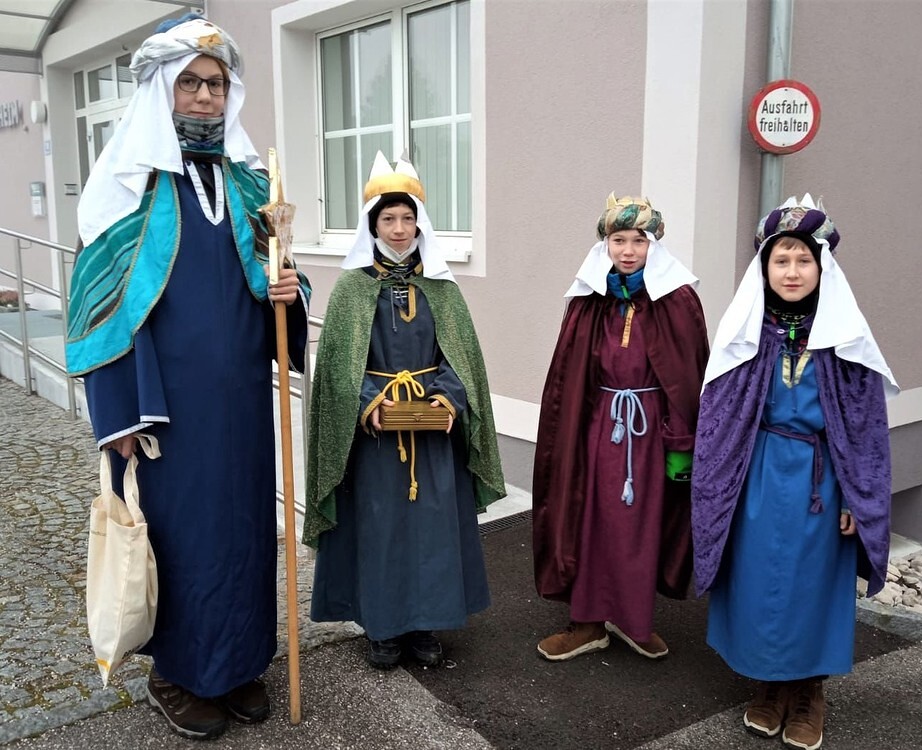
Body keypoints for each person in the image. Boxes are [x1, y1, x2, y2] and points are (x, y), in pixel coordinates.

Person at [66, 15, 310, 741]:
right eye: (191, 84)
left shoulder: (250, 185)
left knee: (243, 530)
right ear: (161, 91)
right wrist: (122, 412)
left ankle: (238, 663)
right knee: (181, 538)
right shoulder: (128, 188)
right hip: (166, 411)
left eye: (217, 85)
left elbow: (278, 281)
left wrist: (290, 293)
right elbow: (101, 308)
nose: (206, 97)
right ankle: (176, 673)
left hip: (241, 404)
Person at [691, 195, 897, 750]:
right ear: (764, 268)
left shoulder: (845, 338)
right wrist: (721, 483)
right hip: (756, 474)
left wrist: (857, 496)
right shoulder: (746, 333)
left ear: (822, 267)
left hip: (821, 482)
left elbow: (866, 428)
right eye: (780, 260)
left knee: (812, 585)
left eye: (803, 260)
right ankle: (768, 685)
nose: (791, 271)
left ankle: (809, 693)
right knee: (758, 581)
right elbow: (719, 415)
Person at [305, 151, 505, 671]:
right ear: (372, 225)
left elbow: (461, 359)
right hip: (376, 441)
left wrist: (447, 397)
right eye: (388, 219)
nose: (398, 229)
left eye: (407, 218)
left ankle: (425, 624)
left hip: (433, 436)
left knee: (432, 530)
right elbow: (338, 369)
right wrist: (368, 403)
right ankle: (383, 627)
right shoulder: (351, 289)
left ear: (420, 223)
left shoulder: (441, 287)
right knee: (381, 529)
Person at [532, 194, 709, 661]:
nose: (628, 251)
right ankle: (588, 622)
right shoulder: (589, 299)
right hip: (597, 426)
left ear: (654, 246)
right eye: (618, 240)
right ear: (605, 244)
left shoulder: (678, 300)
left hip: (651, 433)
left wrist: (680, 441)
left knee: (640, 525)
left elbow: (688, 374)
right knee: (589, 519)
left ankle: (633, 618)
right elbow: (569, 376)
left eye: (638, 241)